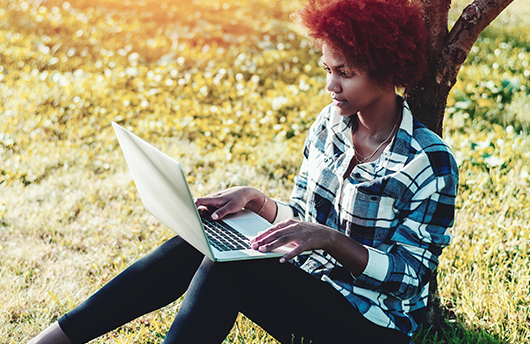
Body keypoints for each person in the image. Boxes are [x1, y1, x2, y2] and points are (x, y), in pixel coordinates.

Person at [27, 0, 458, 343]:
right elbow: (306, 220)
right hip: (311, 289)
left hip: (374, 323)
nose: (331, 85)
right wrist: (262, 204)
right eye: (328, 69)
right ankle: (54, 339)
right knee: (201, 241)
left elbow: (409, 276)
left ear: (387, 68)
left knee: (230, 266)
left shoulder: (428, 161)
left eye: (346, 73)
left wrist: (329, 239)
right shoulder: (329, 124)